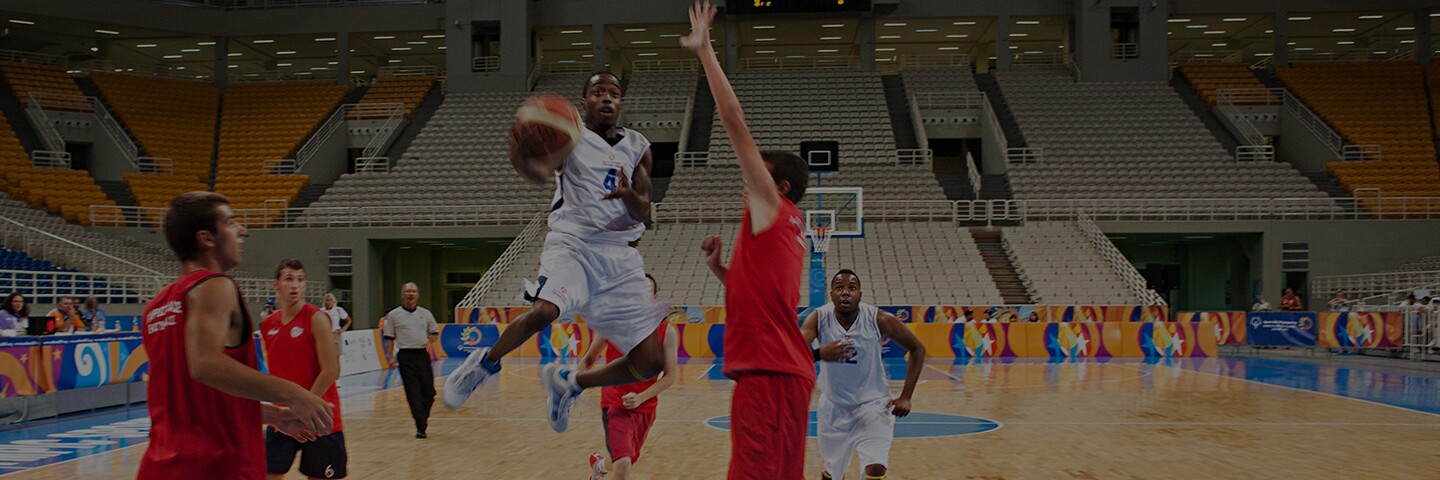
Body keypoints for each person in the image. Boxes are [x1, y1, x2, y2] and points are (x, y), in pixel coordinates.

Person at [442, 65, 671, 434]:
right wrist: (522, 150)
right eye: (598, 93)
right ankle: (483, 364)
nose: (606, 98)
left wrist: (629, 194)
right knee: (544, 311)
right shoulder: (570, 138)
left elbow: (644, 209)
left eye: (613, 93)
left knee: (649, 363)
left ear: (621, 102)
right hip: (575, 245)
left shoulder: (638, 146)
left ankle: (570, 384)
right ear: (584, 103)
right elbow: (535, 174)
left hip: (620, 257)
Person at [685, 3, 816, 477]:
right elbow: (762, 293)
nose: (749, 177)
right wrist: (720, 269)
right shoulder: (783, 229)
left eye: (760, 172)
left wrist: (705, 52)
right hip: (787, 374)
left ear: (778, 186)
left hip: (769, 375)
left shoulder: (774, 207)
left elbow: (734, 119)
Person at [138, 191, 332, 479]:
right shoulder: (215, 285)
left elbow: (200, 400)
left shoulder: (157, 307)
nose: (242, 230)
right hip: (217, 466)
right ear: (207, 239)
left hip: (160, 465)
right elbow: (206, 364)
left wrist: (272, 415)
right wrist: (293, 394)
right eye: (230, 222)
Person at [801, 270, 926, 480]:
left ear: (860, 293)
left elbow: (917, 349)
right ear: (831, 294)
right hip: (834, 408)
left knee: (875, 467)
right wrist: (818, 354)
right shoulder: (819, 318)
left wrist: (906, 396)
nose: (845, 293)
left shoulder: (879, 318)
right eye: (839, 287)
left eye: (852, 288)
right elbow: (791, 350)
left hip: (873, 405)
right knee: (832, 472)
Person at [579, 274, 680, 480]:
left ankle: (599, 465)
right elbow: (589, 359)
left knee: (624, 460)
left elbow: (670, 377)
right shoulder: (612, 324)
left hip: (645, 407)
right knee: (623, 466)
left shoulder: (666, 331)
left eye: (647, 291)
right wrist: (573, 385)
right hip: (615, 404)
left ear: (654, 297)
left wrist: (641, 397)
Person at [261, 259, 346, 480]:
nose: (295, 285)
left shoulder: (316, 318)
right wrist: (285, 412)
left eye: (300, 280)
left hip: (320, 417)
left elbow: (330, 369)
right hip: (282, 419)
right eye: (289, 279)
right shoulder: (268, 324)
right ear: (276, 284)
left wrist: (304, 408)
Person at [384, 282, 439, 439]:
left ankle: (423, 416)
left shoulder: (426, 314)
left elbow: (434, 334)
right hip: (405, 356)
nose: (410, 294)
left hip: (422, 355)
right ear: (402, 295)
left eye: (413, 291)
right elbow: (389, 338)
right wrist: (390, 357)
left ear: (418, 295)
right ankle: (420, 426)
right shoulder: (394, 315)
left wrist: (429, 338)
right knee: (413, 393)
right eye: (407, 291)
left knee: (429, 392)